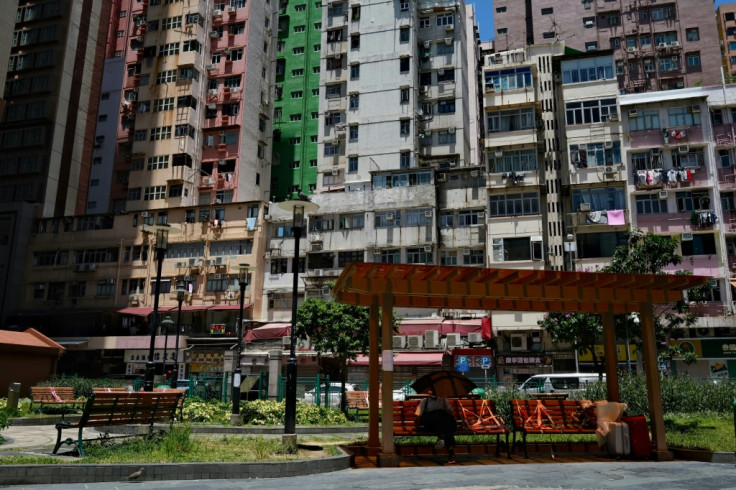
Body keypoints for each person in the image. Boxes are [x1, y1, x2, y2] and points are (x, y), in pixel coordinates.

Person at [415, 390, 457, 463]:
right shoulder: (424, 401)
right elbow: (419, 415)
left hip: (443, 424)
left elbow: (450, 412)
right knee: (446, 427)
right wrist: (417, 427)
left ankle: (442, 438)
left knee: (445, 424)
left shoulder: (443, 400)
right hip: (431, 424)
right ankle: (451, 453)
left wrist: (445, 407)